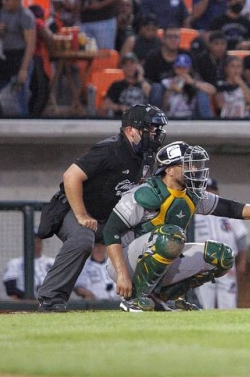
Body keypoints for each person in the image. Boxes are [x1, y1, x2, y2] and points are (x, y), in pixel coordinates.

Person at [105, 141, 250, 312]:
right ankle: (134, 298)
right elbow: (110, 230)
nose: (195, 169)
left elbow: (229, 207)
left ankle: (165, 297)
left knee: (222, 256)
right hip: (126, 261)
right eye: (187, 165)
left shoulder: (190, 194)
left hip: (163, 254)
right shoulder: (145, 194)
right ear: (169, 170)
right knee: (170, 236)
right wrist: (121, 274)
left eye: (195, 164)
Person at [35, 105, 168, 312]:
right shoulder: (109, 149)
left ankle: (147, 296)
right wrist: (81, 215)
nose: (154, 134)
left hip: (108, 218)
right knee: (83, 238)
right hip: (71, 209)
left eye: (156, 130)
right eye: (149, 129)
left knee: (152, 238)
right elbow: (71, 176)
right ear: (130, 130)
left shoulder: (146, 157)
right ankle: (51, 299)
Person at [193, 178, 249, 310]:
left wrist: (242, 262)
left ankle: (229, 329)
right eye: (206, 190)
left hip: (227, 262)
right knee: (204, 304)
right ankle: (205, 329)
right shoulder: (194, 212)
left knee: (229, 303)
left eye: (212, 190)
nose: (209, 192)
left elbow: (241, 237)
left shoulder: (227, 212)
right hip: (202, 262)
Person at [0, 0, 37, 118]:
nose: (4, 2)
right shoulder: (3, 12)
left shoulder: (25, 16)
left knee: (19, 98)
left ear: (17, 0)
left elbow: (30, 43)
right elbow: (2, 35)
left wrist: (24, 69)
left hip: (20, 56)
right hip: (6, 56)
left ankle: (24, 127)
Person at [1, 235, 54, 300]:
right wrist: (31, 299)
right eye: (32, 243)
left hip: (51, 304)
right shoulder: (15, 263)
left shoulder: (53, 262)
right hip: (24, 304)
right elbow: (10, 289)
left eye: (38, 242)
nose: (36, 245)